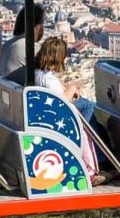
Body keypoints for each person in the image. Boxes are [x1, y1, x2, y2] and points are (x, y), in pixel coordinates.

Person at [34, 37, 106, 186]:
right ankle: (89, 138)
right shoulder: (49, 79)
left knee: (87, 105)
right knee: (89, 107)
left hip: (47, 112)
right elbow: (61, 102)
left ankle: (101, 153)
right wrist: (72, 89)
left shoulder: (38, 73)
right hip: (59, 114)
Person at [0, 4, 45, 84]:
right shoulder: (31, 47)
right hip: (19, 94)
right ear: (37, 27)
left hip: (7, 89)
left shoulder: (7, 45)